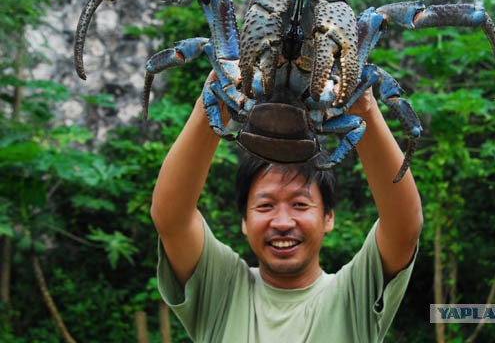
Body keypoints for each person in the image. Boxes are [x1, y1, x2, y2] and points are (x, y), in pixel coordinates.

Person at [151, 72, 423, 342]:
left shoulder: (355, 295)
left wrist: (363, 107)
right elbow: (172, 219)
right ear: (244, 220)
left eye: (300, 204)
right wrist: (215, 99)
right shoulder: (221, 289)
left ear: (328, 217)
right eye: (265, 205)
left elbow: (404, 228)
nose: (282, 222)